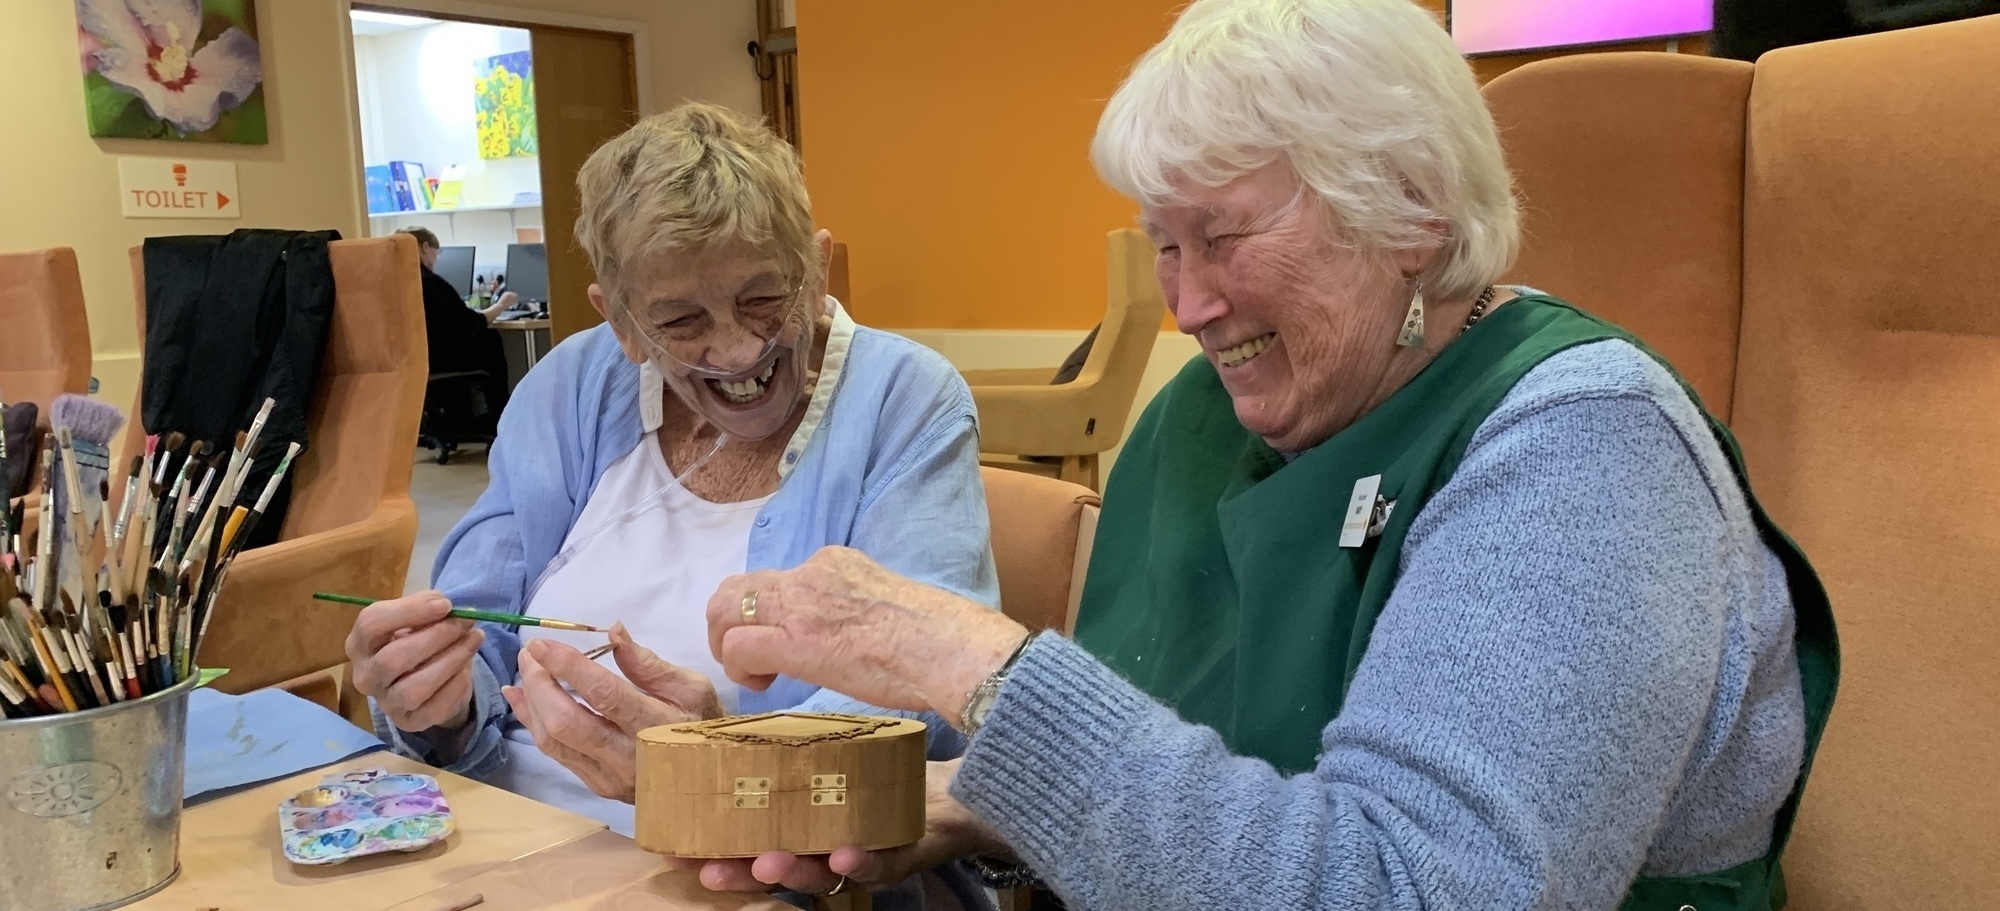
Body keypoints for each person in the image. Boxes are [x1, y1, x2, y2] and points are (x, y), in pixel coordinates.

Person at [680, 1, 1838, 908]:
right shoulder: (1203, 420)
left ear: (1411, 207)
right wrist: (977, 804)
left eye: (1221, 235)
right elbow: (1212, 784)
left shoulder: (1584, 450)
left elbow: (1406, 888)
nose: (1185, 305)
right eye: (1160, 246)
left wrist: (966, 656)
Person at [349, 104, 999, 909]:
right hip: (504, 836)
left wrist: (718, 756)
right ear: (620, 321)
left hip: (750, 877)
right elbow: (475, 646)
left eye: (766, 297)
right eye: (680, 319)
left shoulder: (906, 400)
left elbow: (930, 699)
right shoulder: (569, 388)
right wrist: (432, 699)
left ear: (818, 267)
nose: (734, 349)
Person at [399, 226, 513, 435]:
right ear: (425, 247)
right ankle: (500, 421)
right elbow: (473, 323)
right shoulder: (429, 282)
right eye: (436, 253)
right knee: (490, 339)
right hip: (440, 359)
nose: (436, 260)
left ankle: (459, 420)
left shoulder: (394, 281)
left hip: (412, 358)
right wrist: (502, 304)